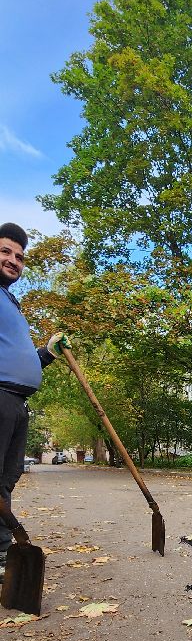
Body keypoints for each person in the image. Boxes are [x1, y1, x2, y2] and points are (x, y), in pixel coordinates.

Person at [0, 222, 70, 579]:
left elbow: (18, 360)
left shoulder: (10, 303)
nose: (14, 260)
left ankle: (1, 554)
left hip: (16, 402)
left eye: (20, 256)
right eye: (5, 252)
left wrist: (47, 353)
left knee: (5, 480)